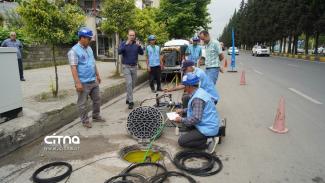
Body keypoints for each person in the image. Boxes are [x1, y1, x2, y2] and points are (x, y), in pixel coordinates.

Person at [68, 27, 106, 128]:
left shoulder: (89, 49)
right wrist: (77, 83)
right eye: (88, 39)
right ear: (82, 38)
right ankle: (85, 121)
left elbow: (93, 63)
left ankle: (96, 116)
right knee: (82, 103)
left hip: (93, 80)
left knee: (97, 99)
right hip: (83, 82)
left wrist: (97, 75)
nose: (90, 41)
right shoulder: (74, 51)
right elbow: (73, 68)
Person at [174, 73, 220, 154]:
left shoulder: (197, 98)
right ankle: (202, 138)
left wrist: (181, 119)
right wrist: (183, 110)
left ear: (189, 86)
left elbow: (196, 118)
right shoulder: (199, 91)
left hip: (207, 128)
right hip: (205, 123)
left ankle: (207, 142)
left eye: (185, 85)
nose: (184, 88)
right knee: (186, 127)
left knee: (182, 141)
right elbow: (195, 109)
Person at [118, 30, 144, 109]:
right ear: (127, 35)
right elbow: (119, 52)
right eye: (130, 35)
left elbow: (142, 53)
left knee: (133, 84)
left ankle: (127, 98)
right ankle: (131, 101)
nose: (132, 37)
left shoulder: (136, 44)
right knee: (129, 83)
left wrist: (139, 46)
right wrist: (125, 45)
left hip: (134, 67)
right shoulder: (123, 43)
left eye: (133, 35)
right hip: (126, 66)